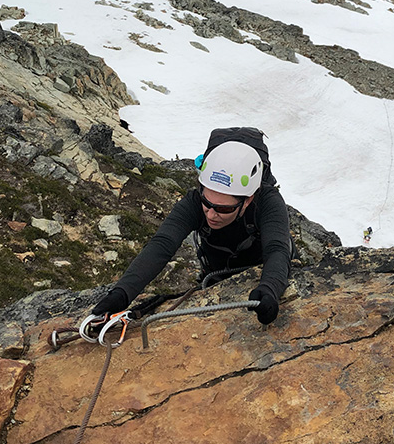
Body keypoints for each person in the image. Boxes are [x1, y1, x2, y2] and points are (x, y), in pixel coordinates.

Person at [92, 134, 293, 324]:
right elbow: (162, 244)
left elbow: (277, 248)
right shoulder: (193, 202)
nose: (211, 214)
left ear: (248, 200)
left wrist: (270, 288)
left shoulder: (268, 203)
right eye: (207, 202)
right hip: (215, 275)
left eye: (224, 208)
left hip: (261, 270)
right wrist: (122, 294)